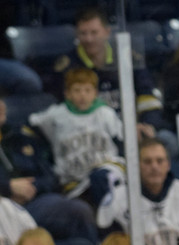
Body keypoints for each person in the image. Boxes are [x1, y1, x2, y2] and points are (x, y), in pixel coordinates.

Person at [49, 7, 167, 147]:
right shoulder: (67, 66)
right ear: (76, 34)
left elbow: (147, 96)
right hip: (91, 135)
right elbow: (64, 109)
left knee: (167, 140)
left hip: (134, 128)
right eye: (83, 33)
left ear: (107, 32)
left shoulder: (128, 58)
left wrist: (148, 125)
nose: (89, 39)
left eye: (94, 32)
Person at [0, 96, 99, 245]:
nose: (1, 106)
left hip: (33, 204)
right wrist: (9, 188)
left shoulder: (19, 137)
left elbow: (51, 178)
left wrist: (31, 188)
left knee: (78, 211)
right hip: (3, 208)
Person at [28, 67, 125, 203]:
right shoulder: (56, 115)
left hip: (105, 175)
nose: (82, 95)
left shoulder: (106, 113)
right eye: (77, 90)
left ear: (95, 93)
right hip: (73, 182)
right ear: (67, 93)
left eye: (87, 90)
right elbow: (32, 124)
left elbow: (121, 142)